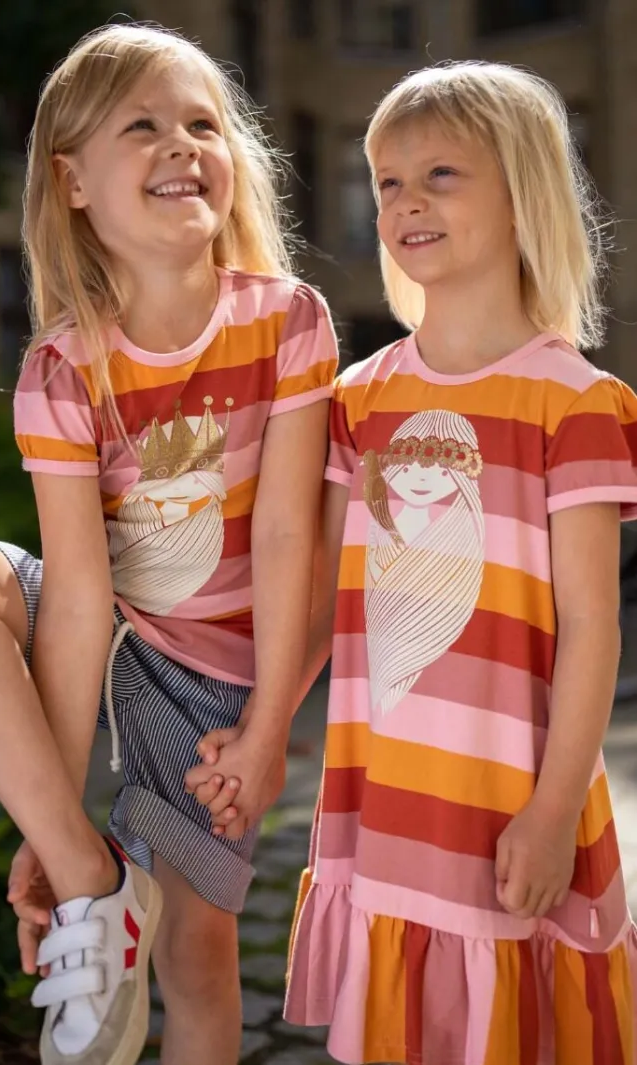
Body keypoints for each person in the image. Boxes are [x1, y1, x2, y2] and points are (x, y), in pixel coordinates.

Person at [0, 22, 337, 1065]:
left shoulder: (287, 322)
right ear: (72, 181)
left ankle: (102, 893)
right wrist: (55, 824)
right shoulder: (63, 368)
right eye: (142, 126)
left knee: (196, 957)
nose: (179, 144)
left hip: (218, 681)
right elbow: (74, 594)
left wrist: (268, 730)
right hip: (107, 624)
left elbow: (293, 536)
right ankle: (89, 884)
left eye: (201, 124)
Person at [281, 61, 637, 1065]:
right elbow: (325, 598)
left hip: (511, 798)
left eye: (440, 174)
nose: (405, 202)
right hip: (386, 796)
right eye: (387, 181)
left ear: (522, 194)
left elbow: (592, 630)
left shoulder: (572, 404)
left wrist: (553, 810)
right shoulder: (357, 400)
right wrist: (264, 735)